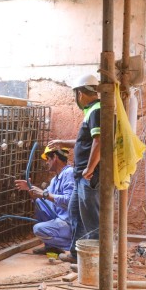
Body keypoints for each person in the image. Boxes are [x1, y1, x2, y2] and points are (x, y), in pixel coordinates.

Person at [48, 74, 101, 264]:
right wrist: (62, 142)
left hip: (89, 175)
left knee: (92, 220)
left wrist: (90, 168)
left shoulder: (97, 110)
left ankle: (94, 262)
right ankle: (76, 254)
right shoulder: (91, 111)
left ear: (80, 93)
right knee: (75, 212)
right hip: (82, 175)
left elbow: (99, 141)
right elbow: (84, 143)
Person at [14, 146, 75, 255]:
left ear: (55, 157)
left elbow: (69, 200)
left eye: (48, 159)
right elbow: (41, 198)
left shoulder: (69, 173)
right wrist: (30, 188)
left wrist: (43, 194)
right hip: (60, 219)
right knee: (39, 203)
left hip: (69, 223)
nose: (46, 162)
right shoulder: (55, 179)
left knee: (38, 229)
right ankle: (51, 247)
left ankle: (73, 246)